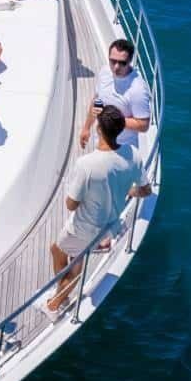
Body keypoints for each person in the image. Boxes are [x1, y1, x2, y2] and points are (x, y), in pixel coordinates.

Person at [49, 106, 151, 313]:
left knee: (63, 256)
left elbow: (71, 204)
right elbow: (145, 190)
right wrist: (127, 190)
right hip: (110, 224)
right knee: (64, 255)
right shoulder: (134, 155)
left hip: (84, 227)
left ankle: (55, 304)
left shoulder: (87, 164)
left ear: (98, 129)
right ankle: (62, 291)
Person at [78, 38, 153, 149]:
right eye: (113, 61)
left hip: (123, 148)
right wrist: (87, 128)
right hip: (100, 143)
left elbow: (143, 125)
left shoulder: (138, 89)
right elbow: (97, 101)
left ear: (130, 61)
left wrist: (111, 118)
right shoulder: (105, 72)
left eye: (122, 63)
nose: (116, 67)